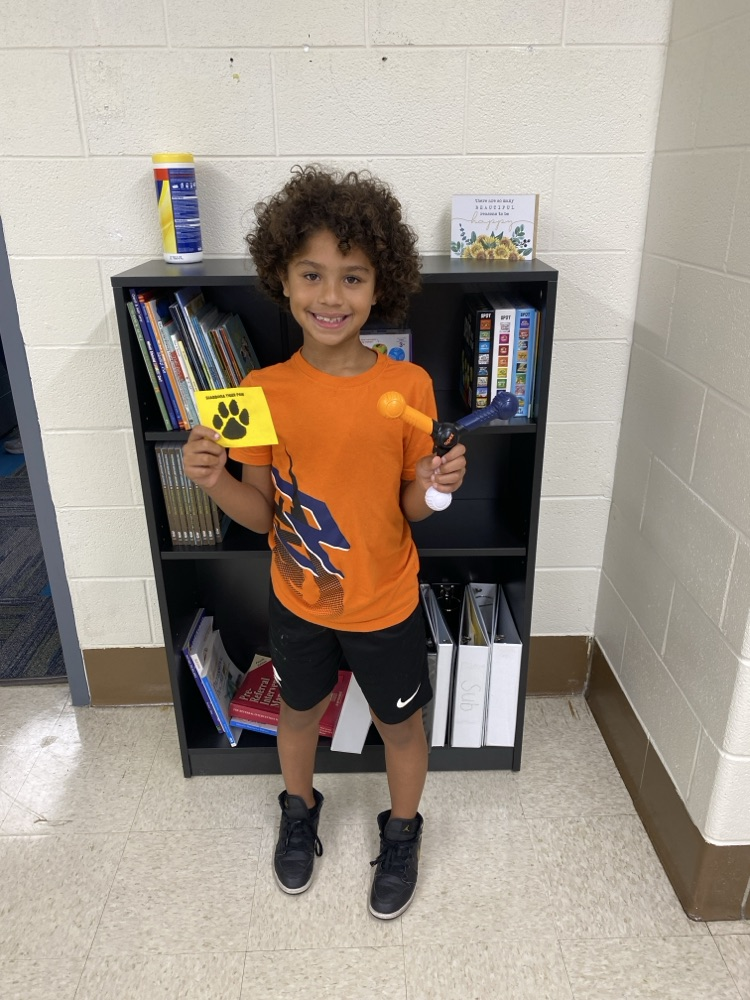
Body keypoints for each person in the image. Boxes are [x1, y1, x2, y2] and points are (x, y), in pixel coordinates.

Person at [182, 164, 466, 919]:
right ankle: (298, 809)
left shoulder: (408, 387)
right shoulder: (261, 390)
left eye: (352, 277)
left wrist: (439, 483)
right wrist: (213, 480)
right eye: (312, 274)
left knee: (401, 725)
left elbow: (413, 506)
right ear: (283, 277)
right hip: (299, 598)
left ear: (382, 287)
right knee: (298, 713)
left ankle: (402, 830)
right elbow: (263, 515)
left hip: (384, 600)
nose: (331, 296)